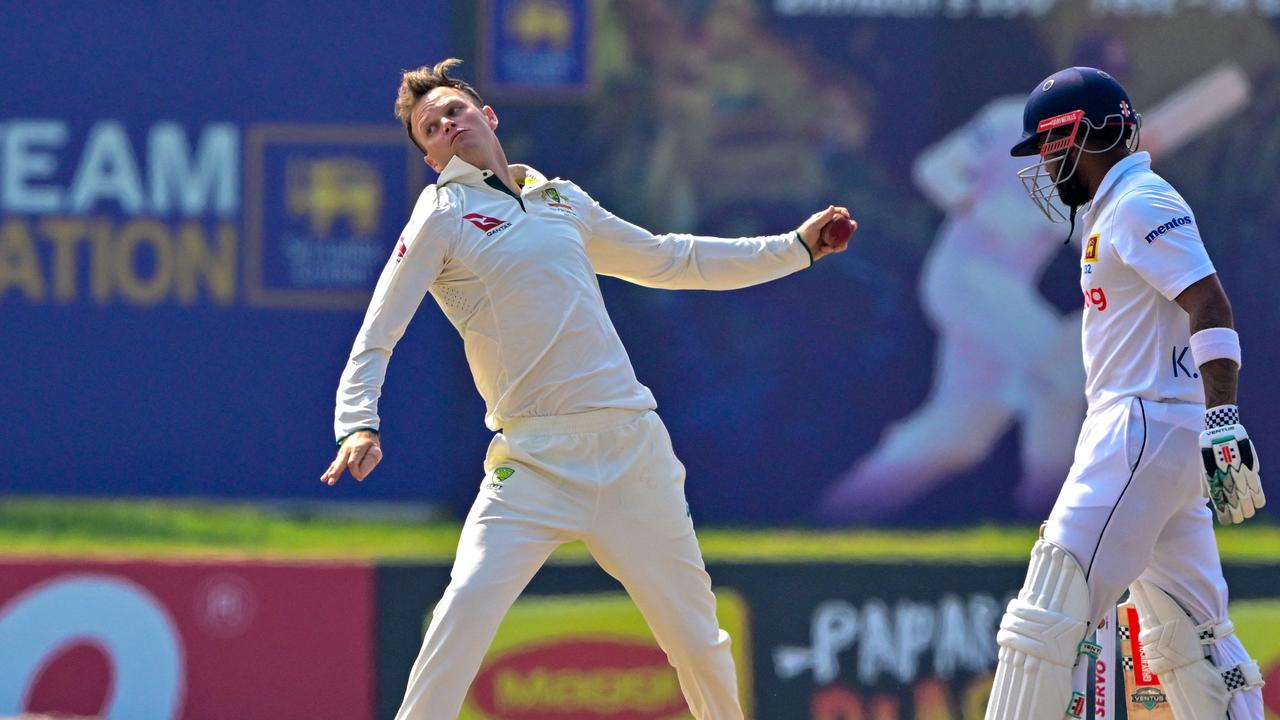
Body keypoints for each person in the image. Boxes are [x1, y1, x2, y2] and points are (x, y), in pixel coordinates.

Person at [319, 58, 853, 719]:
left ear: (487, 117)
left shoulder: (562, 200)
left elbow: (670, 260)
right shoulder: (443, 211)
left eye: (455, 110)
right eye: (430, 128)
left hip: (633, 452)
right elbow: (379, 329)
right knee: (462, 612)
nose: (446, 124)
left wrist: (794, 248)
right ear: (430, 158)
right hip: (534, 461)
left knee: (699, 642)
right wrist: (358, 423)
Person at [984, 66, 1266, 720]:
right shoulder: (1115, 209)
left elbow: (1210, 305)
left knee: (1047, 611)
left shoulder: (1141, 200)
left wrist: (1223, 419)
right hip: (1155, 435)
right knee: (1193, 637)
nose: (1046, 167)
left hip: (1140, 430)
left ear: (1080, 136)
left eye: (1049, 148)